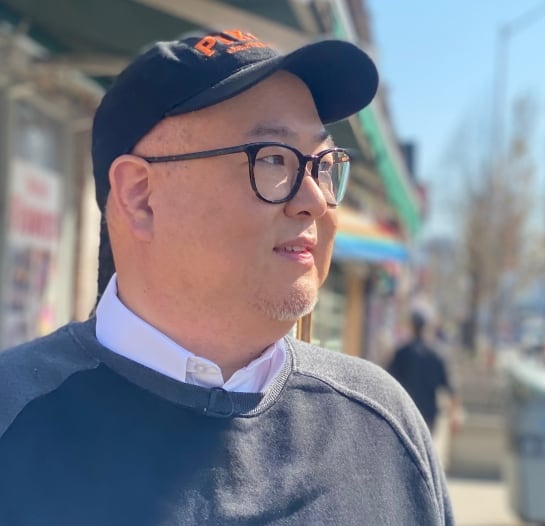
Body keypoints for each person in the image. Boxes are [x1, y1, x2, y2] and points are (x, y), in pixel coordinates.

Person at [0, 29, 453, 526]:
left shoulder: (381, 432)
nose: (316, 200)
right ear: (140, 197)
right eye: (274, 159)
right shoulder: (14, 415)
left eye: (323, 164)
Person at [388, 311, 461, 436]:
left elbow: (388, 381)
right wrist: (455, 414)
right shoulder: (436, 355)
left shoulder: (402, 353)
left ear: (412, 327)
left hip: (405, 413)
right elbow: (450, 388)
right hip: (428, 415)